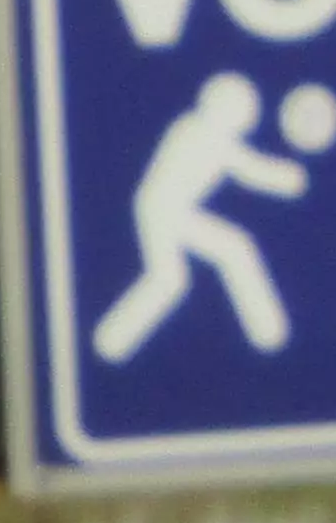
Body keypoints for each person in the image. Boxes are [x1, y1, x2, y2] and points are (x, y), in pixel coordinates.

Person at [94, 70, 308, 363]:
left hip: (168, 209)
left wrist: (288, 179)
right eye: (245, 108)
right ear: (223, 107)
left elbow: (246, 165)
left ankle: (269, 335)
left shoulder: (196, 128)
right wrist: (293, 179)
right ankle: (110, 343)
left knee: (220, 254)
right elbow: (251, 169)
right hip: (163, 210)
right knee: (182, 273)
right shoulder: (205, 133)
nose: (250, 115)